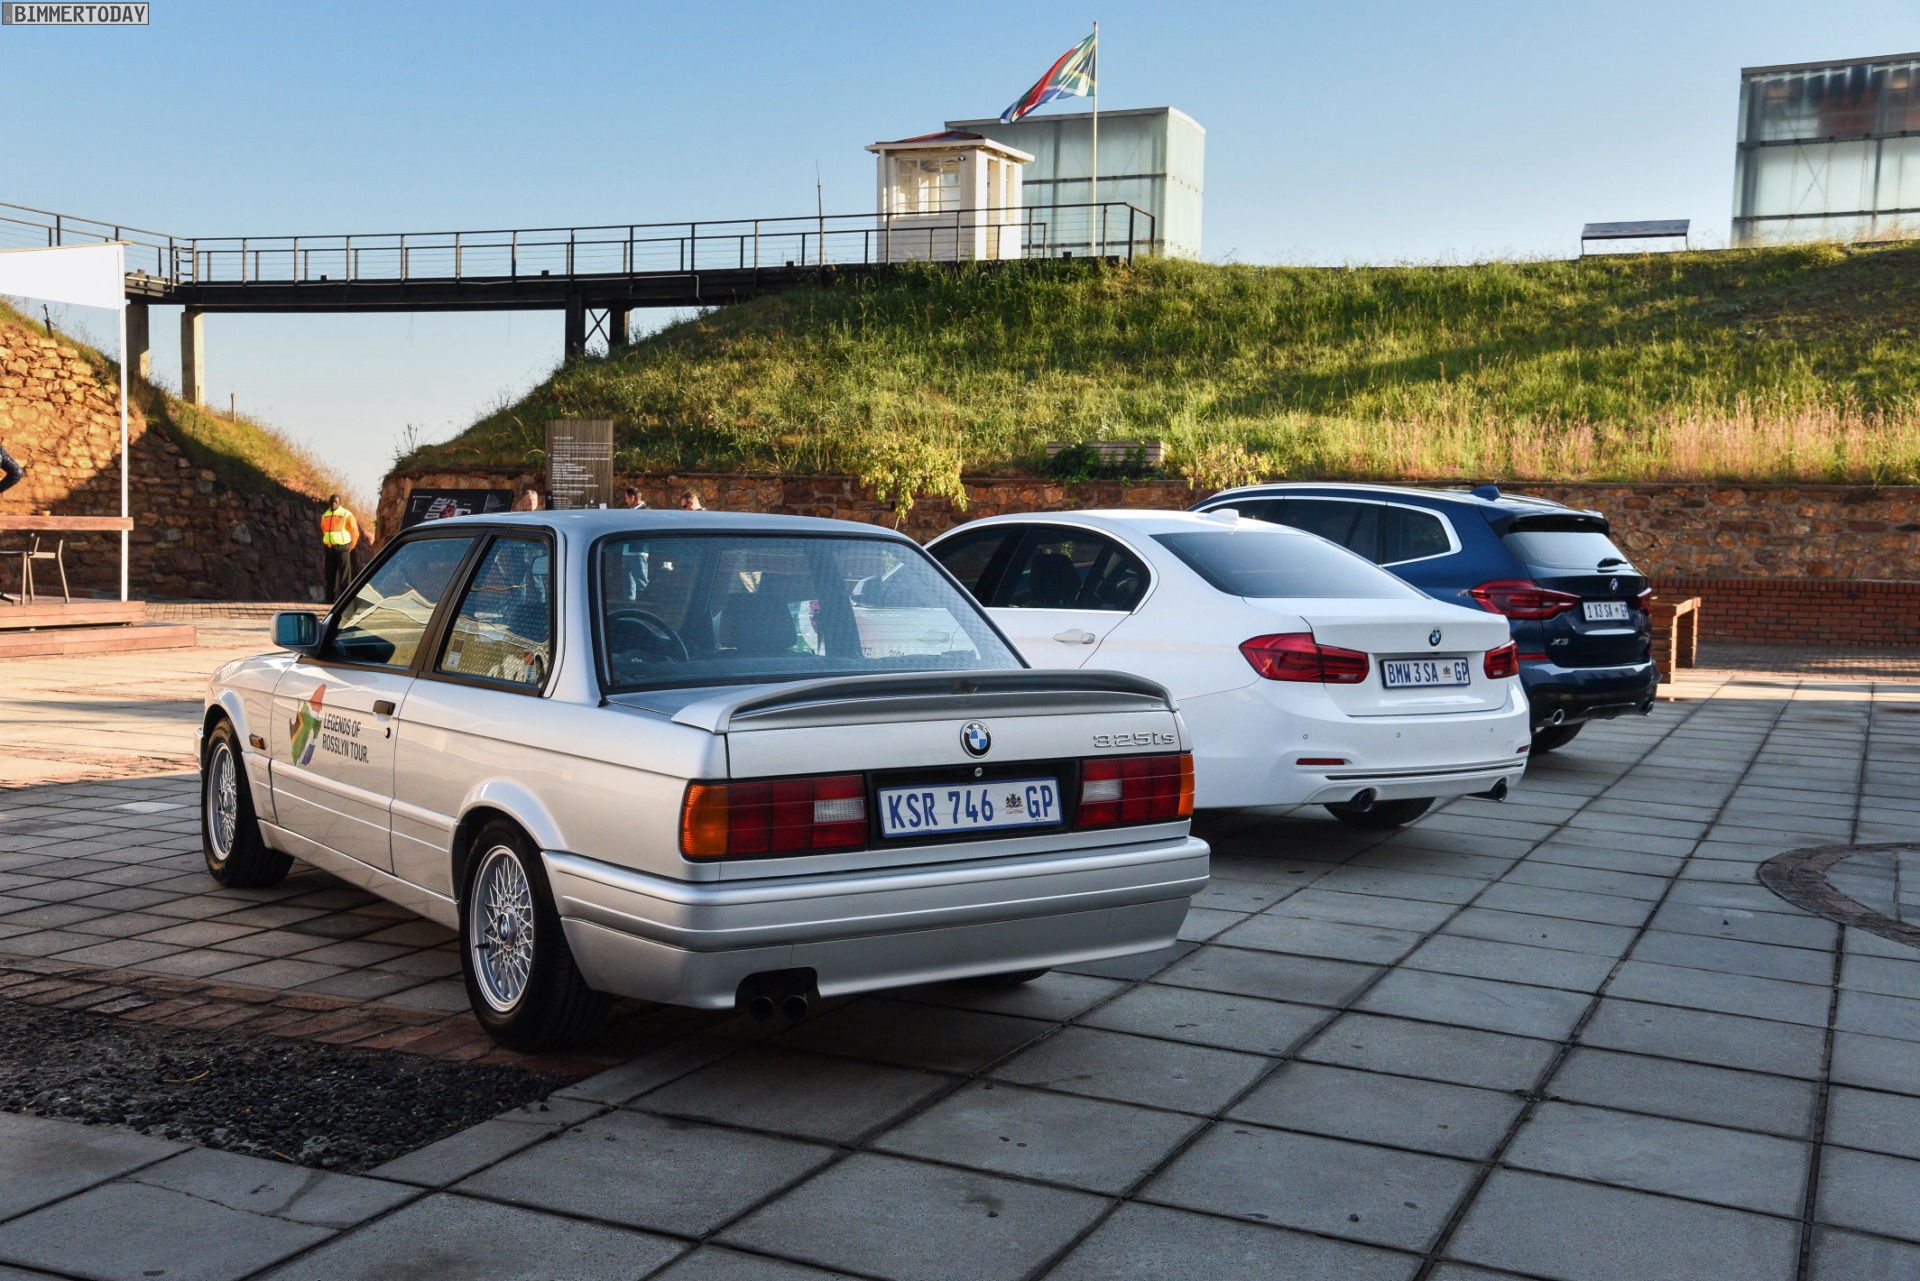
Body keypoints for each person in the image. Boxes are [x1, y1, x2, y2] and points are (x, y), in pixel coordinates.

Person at [319, 494, 361, 601]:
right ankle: (329, 598)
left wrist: (350, 546)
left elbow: (354, 531)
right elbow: (324, 530)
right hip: (329, 548)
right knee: (329, 575)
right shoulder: (325, 515)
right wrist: (328, 542)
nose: (333, 504)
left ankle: (345, 600)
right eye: (332, 502)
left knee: (344, 576)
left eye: (336, 502)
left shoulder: (346, 514)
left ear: (340, 503)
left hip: (343, 548)